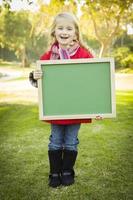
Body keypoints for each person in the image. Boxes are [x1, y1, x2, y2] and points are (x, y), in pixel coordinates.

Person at [29, 12, 94, 188]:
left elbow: (94, 80)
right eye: (60, 28)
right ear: (54, 31)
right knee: (55, 141)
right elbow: (37, 81)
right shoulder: (48, 56)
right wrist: (35, 76)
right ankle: (54, 173)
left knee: (72, 141)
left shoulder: (84, 55)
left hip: (76, 109)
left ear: (76, 32)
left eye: (69, 28)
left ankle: (67, 171)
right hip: (56, 110)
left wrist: (98, 106)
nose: (64, 31)